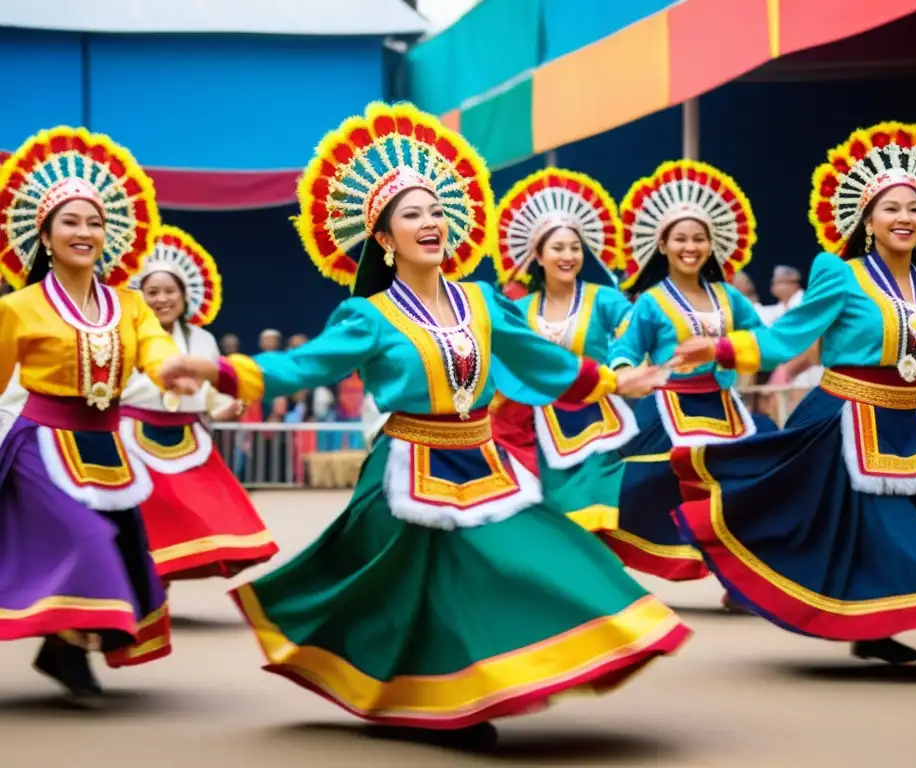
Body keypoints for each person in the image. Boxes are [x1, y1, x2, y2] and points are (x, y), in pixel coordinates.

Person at [161, 102, 689, 749]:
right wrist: (217, 371)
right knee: (418, 594)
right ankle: (447, 706)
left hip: (484, 459)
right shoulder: (369, 316)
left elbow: (539, 360)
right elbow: (304, 366)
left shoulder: (483, 301)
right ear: (383, 238)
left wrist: (612, 381)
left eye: (437, 210)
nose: (431, 221)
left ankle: (543, 661)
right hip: (407, 467)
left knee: (540, 552)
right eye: (412, 214)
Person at [670, 121, 916, 664]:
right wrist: (720, 350)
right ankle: (873, 627)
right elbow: (788, 335)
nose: (904, 218)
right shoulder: (840, 275)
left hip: (914, 421)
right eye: (891, 208)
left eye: (914, 208)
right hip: (843, 419)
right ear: (868, 219)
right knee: (871, 531)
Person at [0, 125, 190, 703]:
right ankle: (63, 647)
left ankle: (64, 648)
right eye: (71, 222)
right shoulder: (17, 307)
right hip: (40, 442)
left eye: (95, 222)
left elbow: (155, 348)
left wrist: (176, 370)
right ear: (47, 235)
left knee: (125, 544)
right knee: (85, 537)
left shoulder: (130, 305)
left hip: (106, 444)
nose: (85, 232)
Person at [602, 159, 769, 611]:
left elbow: (763, 337)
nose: (690, 247)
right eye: (680, 239)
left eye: (698, 239)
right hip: (667, 409)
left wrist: (746, 350)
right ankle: (600, 559)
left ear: (712, 245)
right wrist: (627, 373)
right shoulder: (652, 302)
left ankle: (739, 581)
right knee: (638, 487)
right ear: (663, 245)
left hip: (724, 406)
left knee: (737, 492)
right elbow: (625, 349)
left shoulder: (730, 297)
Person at [120, 226, 279, 582]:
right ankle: (144, 582)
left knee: (205, 506)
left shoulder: (203, 339)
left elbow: (211, 394)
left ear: (184, 295)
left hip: (189, 435)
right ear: (139, 296)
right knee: (148, 511)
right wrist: (168, 385)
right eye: (152, 292)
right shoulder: (126, 334)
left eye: (169, 291)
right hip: (134, 436)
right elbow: (121, 388)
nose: (161, 299)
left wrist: (221, 408)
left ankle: (164, 578)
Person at [489, 167, 634, 532]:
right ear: (538, 255)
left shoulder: (604, 299)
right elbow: (500, 359)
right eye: (557, 248)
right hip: (535, 428)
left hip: (595, 422)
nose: (568, 255)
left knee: (598, 508)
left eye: (575, 247)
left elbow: (636, 331)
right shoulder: (519, 311)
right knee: (551, 522)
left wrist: (623, 362)